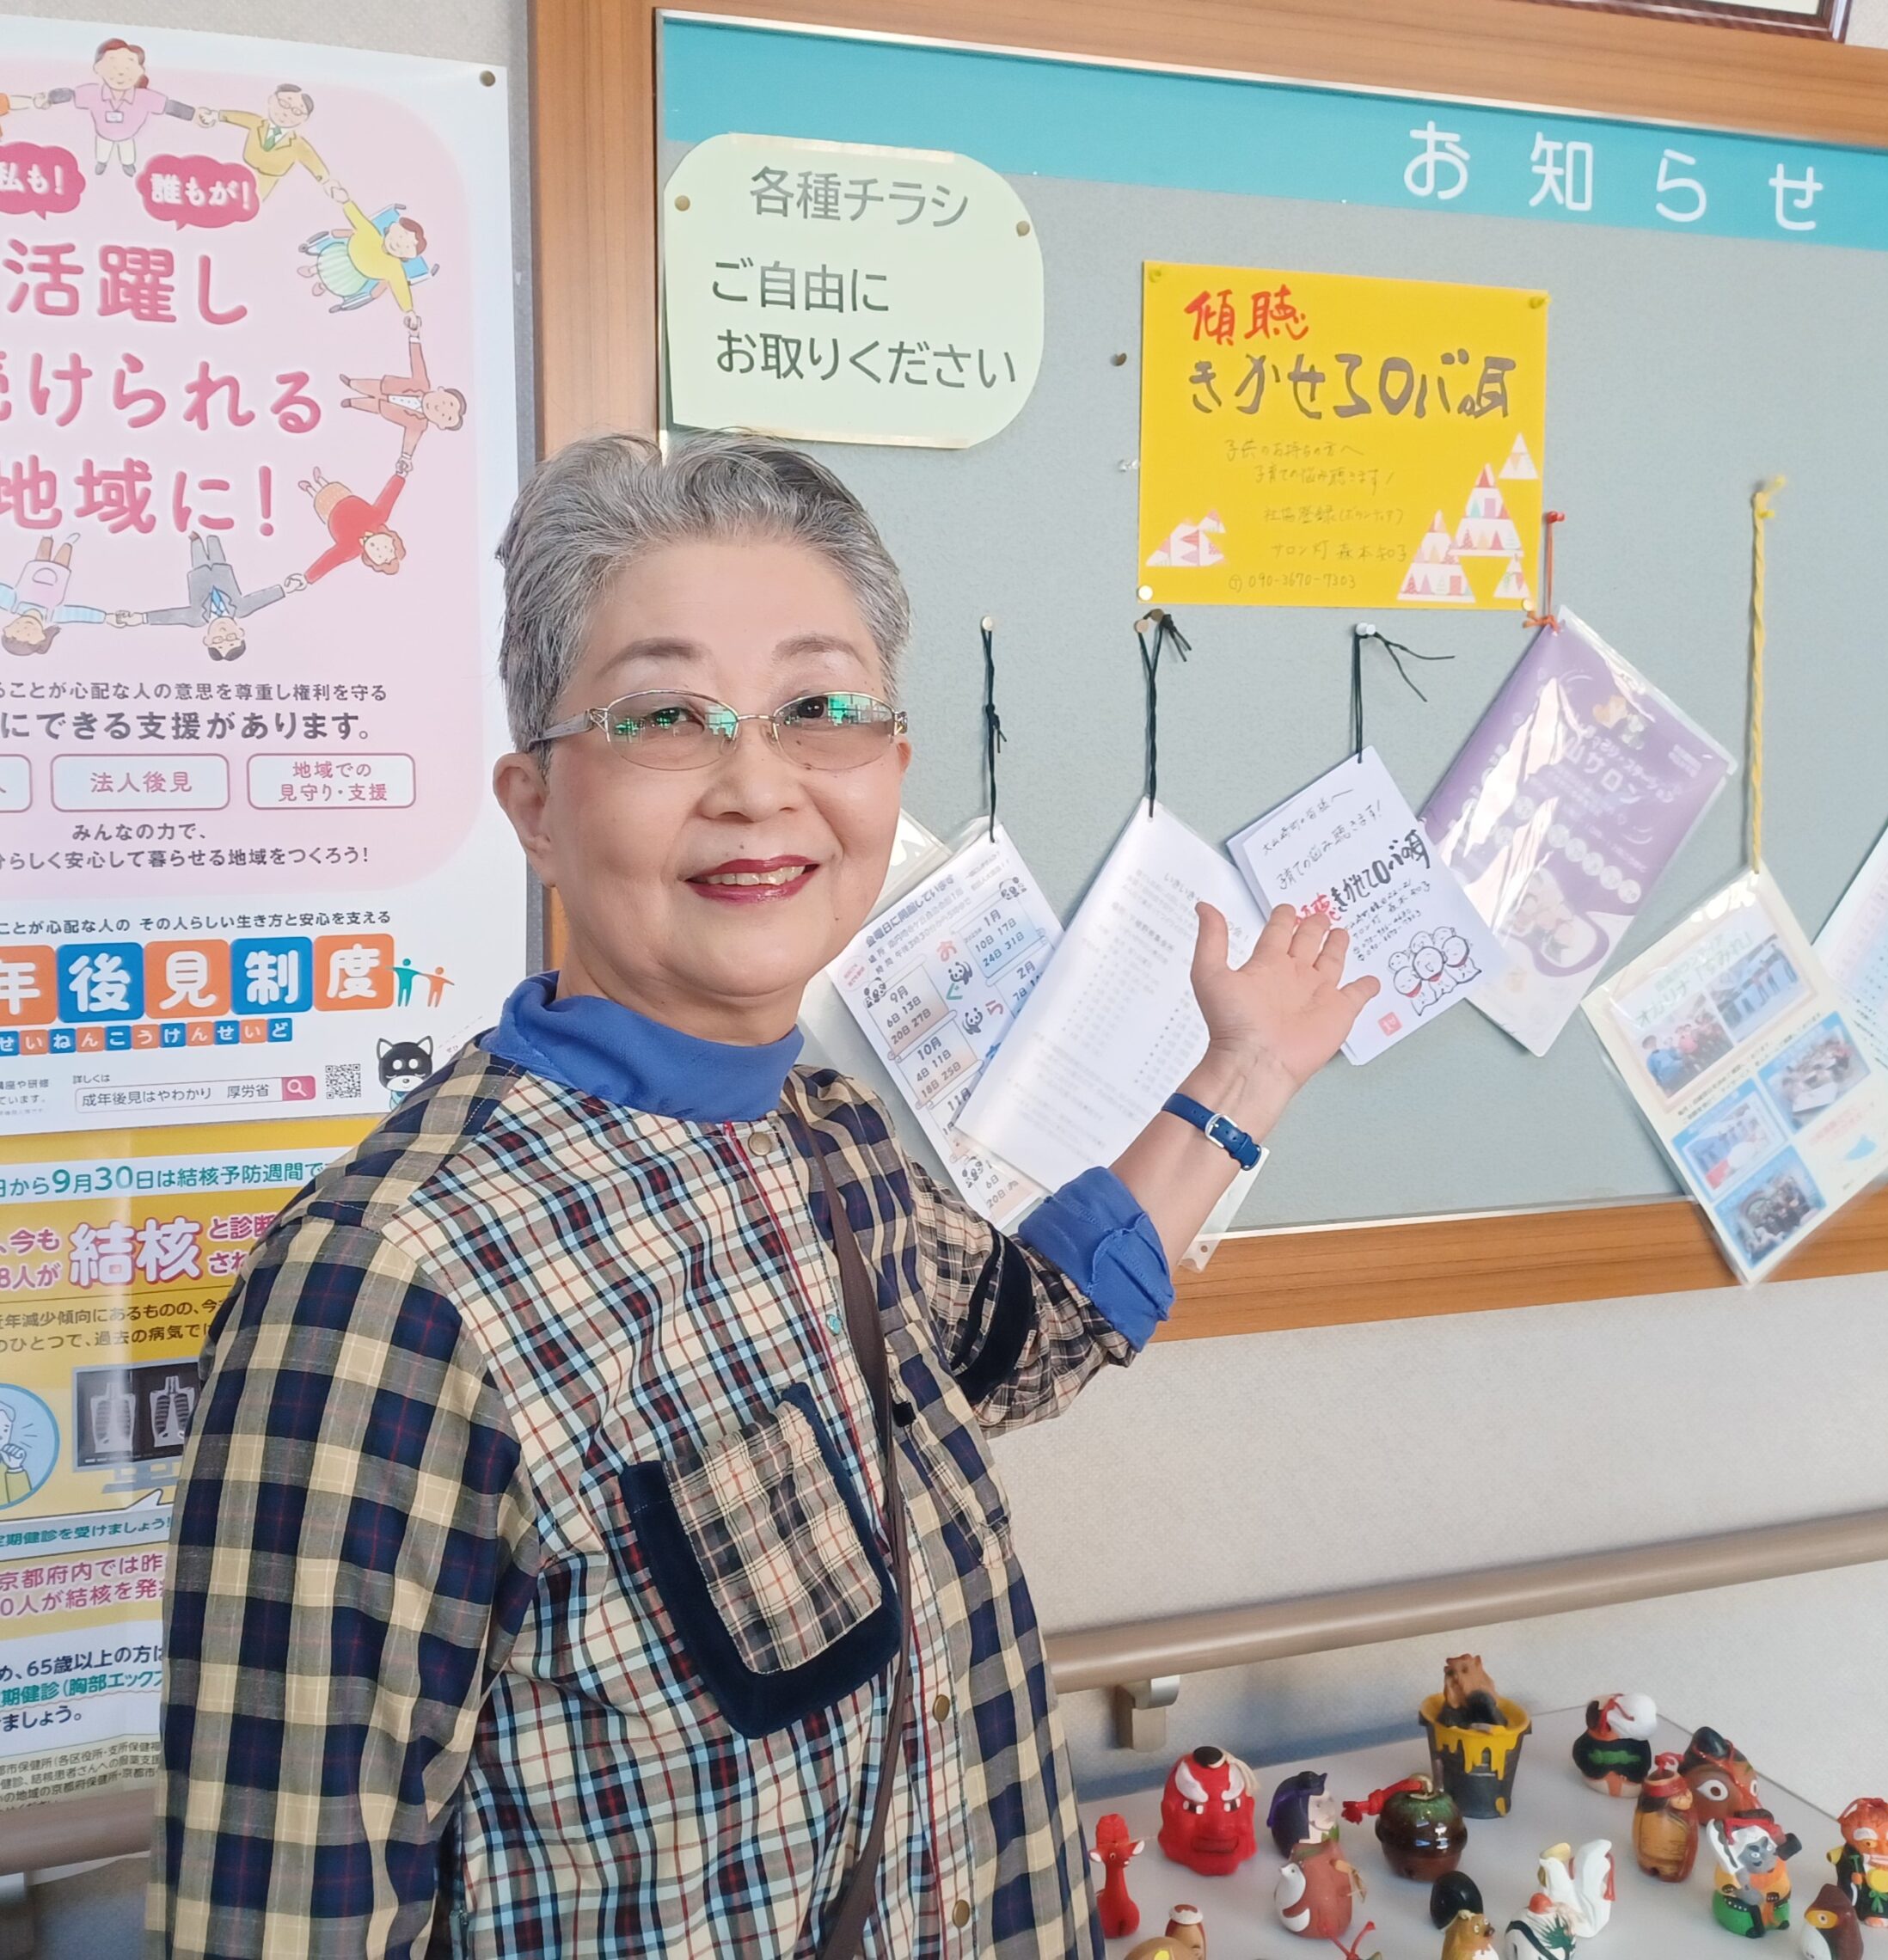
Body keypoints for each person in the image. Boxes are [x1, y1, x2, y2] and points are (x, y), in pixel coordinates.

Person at [153, 432, 1376, 1958]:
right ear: (535, 804)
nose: (757, 783)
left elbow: (1021, 1331)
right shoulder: (386, 1295)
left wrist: (1245, 1072)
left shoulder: (830, 1137)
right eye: (669, 715)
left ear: (892, 768)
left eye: (820, 710)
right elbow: (282, 1922)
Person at [112, 531, 304, 660]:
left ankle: (195, 538)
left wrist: (141, 619)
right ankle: (211, 531)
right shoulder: (242, 609)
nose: (223, 633)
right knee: (214, 543)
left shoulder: (196, 619)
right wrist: (286, 589)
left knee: (197, 550)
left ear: (207, 639)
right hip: (222, 571)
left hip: (200, 577)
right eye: (231, 637)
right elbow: (262, 598)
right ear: (240, 632)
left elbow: (171, 616)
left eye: (219, 640)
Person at [37, 36, 197, 176]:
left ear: (140, 71)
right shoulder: (94, 93)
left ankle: (127, 165)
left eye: (128, 68)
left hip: (127, 136)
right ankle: (102, 164)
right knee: (102, 151)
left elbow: (169, 106)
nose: (120, 74)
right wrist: (50, 98)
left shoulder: (144, 97)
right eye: (113, 67)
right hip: (103, 134)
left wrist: (195, 115)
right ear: (98, 69)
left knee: (127, 154)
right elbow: (71, 94)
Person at [298, 177, 432, 320]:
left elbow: (401, 289)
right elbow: (357, 218)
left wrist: (409, 311)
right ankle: (313, 270)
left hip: (354, 278)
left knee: (338, 283)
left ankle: (323, 286)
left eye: (406, 247)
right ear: (393, 228)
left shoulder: (394, 269)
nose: (399, 244)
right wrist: (345, 201)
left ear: (409, 256)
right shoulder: (371, 232)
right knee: (327, 264)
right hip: (342, 255)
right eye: (400, 236)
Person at [341, 323, 469, 460]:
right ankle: (351, 383)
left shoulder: (419, 425)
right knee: (367, 386)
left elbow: (410, 441)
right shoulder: (422, 383)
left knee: (370, 405)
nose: (439, 408)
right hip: (388, 387)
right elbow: (417, 362)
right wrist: (414, 336)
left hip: (387, 409)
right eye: (445, 402)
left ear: (441, 425)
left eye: (444, 416)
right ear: (441, 390)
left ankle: (352, 402)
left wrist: (405, 457)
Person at [197, 81, 329, 202]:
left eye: (297, 111)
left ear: (304, 119)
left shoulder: (298, 145)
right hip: (240, 170)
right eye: (284, 104)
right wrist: (216, 115)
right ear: (272, 100)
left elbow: (313, 161)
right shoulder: (257, 122)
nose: (286, 113)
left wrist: (326, 181)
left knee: (247, 207)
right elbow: (238, 117)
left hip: (265, 182)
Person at [3, 534, 112, 654]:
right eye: (29, 633)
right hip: (58, 577)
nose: (25, 627)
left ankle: (48, 534)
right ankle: (68, 543)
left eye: (18, 630)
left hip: (35, 571)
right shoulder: (54, 615)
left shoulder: (12, 603)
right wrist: (105, 617)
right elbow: (78, 614)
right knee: (62, 560)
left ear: (7, 628)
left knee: (42, 556)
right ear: (41, 637)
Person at [299, 463, 408, 580]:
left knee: (318, 497)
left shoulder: (351, 549)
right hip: (343, 496)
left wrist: (308, 578)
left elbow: (330, 560)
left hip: (329, 510)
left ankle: (309, 488)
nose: (381, 550)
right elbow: (389, 496)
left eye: (382, 558)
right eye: (390, 549)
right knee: (331, 488)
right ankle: (320, 479)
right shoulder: (379, 516)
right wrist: (400, 476)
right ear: (391, 538)